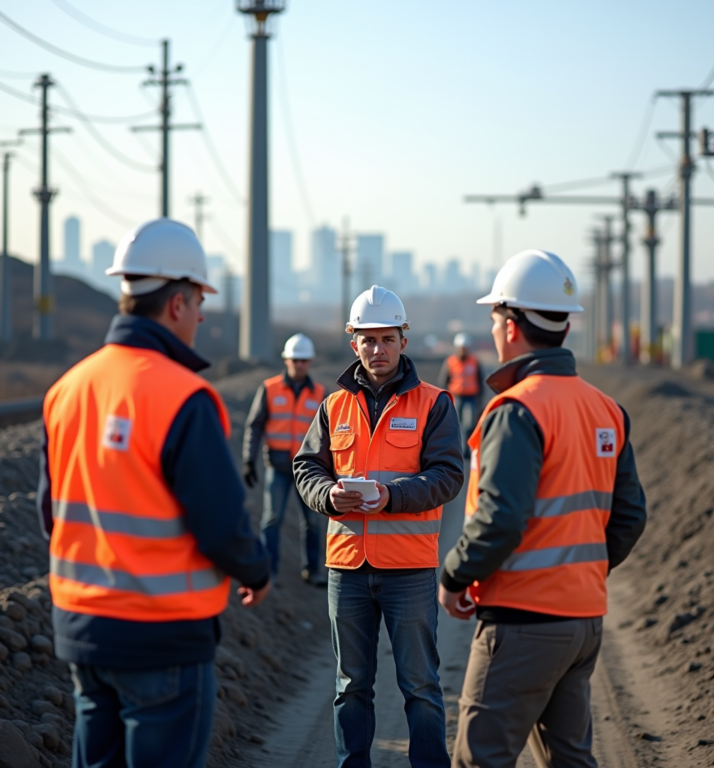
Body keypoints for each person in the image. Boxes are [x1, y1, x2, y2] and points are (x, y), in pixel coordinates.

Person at [37, 219, 271, 768]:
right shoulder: (182, 397)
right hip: (161, 634)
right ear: (177, 305)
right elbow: (221, 524)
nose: (202, 316)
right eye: (198, 303)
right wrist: (256, 572)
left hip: (81, 631)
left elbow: (53, 515)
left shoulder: (67, 389)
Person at [438, 249, 647, 768]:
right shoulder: (605, 409)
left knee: (479, 759)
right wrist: (581, 571)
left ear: (512, 325)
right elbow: (629, 517)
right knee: (570, 760)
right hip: (583, 621)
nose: (491, 329)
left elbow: (499, 519)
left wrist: (454, 576)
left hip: (521, 623)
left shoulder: (516, 411)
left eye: (494, 317)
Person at [294, 285, 464, 768]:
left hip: (409, 569)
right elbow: (306, 468)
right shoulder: (332, 407)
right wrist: (327, 495)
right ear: (354, 344)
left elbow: (448, 475)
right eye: (367, 340)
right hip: (346, 569)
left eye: (386, 339)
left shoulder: (434, 404)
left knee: (422, 688)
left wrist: (392, 497)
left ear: (402, 341)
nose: (377, 349)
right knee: (351, 688)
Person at [242, 333, 327, 586]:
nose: (298, 364)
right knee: (272, 519)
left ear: (309, 361)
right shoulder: (269, 389)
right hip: (277, 466)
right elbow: (254, 426)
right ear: (286, 360)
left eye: (303, 360)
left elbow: (330, 434)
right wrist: (249, 460)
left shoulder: (320, 393)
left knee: (312, 520)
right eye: (294, 360)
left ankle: (312, 570)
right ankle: (270, 572)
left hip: (309, 469)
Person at [438, 332, 483, 457]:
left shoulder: (474, 361)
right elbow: (444, 381)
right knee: (456, 423)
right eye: (461, 348)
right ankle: (457, 449)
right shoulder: (451, 362)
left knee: (468, 424)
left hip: (471, 397)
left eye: (465, 348)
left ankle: (466, 450)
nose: (463, 350)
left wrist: (480, 399)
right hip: (456, 397)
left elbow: (480, 380)